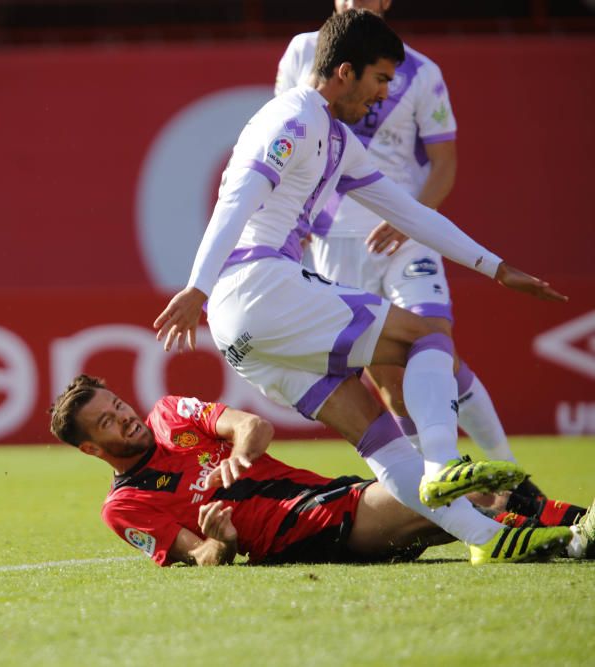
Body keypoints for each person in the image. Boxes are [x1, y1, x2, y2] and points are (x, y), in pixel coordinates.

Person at [151, 9, 575, 562]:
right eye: (378, 80)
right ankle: (445, 464)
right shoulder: (293, 119)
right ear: (344, 72)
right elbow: (236, 202)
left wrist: (494, 267)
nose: (381, 97)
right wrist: (196, 287)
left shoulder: (336, 138)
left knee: (380, 437)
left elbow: (410, 213)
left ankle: (490, 540)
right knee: (425, 336)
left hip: (243, 334)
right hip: (258, 286)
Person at [273, 0, 583, 527]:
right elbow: (290, 142)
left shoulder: (420, 72)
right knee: (390, 381)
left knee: (433, 338)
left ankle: (509, 478)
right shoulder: (305, 51)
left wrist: (414, 216)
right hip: (333, 241)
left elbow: (444, 162)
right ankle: (454, 500)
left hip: (406, 234)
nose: (354, 3)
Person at [48, 375, 593, 566]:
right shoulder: (124, 508)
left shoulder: (169, 416)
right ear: (93, 450)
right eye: (108, 422)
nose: (123, 418)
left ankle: (573, 534)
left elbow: (252, 425)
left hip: (330, 494)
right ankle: (579, 527)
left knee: (460, 493)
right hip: (304, 533)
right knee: (450, 492)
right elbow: (205, 556)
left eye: (117, 405)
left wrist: (238, 453)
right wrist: (223, 538)